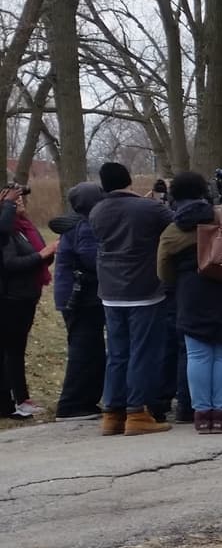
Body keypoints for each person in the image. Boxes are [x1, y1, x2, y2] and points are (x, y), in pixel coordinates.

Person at [157, 172, 222, 434]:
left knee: (197, 355)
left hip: (192, 295)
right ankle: (221, 414)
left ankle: (202, 413)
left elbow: (163, 272)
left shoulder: (172, 230)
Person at [90, 162, 175, 436]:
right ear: (129, 179)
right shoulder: (149, 208)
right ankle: (137, 412)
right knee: (143, 352)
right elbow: (174, 225)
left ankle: (112, 412)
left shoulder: (97, 210)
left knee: (117, 353)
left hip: (110, 291)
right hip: (143, 289)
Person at [50, 182, 107, 421]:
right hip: (81, 298)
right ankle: (72, 404)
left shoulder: (75, 223)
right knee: (85, 350)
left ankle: (84, 401)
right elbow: (90, 257)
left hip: (75, 295)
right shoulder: (86, 225)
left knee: (89, 348)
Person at [0, 192, 56, 417]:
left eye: (21, 201)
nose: (20, 204)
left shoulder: (25, 228)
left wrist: (47, 254)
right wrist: (42, 254)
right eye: (14, 203)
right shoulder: (7, 234)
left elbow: (40, 253)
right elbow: (10, 263)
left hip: (27, 296)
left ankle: (22, 397)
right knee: (11, 350)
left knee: (17, 350)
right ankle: (15, 399)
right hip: (11, 298)